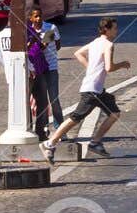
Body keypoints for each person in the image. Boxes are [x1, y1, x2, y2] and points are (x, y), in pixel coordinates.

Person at [41, 17, 129, 160]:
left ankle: (95, 142)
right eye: (114, 28)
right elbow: (109, 67)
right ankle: (50, 143)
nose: (116, 31)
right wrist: (122, 64)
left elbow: (78, 53)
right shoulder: (108, 45)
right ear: (107, 29)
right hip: (92, 90)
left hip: (97, 89)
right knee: (75, 118)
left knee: (114, 113)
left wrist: (90, 68)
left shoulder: (95, 42)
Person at [28, 7, 62, 138]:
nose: (38, 19)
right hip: (37, 69)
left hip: (51, 68)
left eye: (40, 16)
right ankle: (44, 127)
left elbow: (47, 46)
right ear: (31, 18)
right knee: (42, 101)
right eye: (35, 16)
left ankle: (59, 128)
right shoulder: (29, 30)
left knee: (54, 99)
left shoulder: (50, 28)